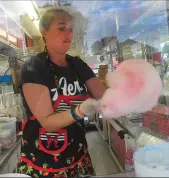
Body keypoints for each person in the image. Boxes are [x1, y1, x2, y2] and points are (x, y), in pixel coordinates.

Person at [17, 8, 106, 178]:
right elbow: (48, 122)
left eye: (71, 29)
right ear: (44, 33)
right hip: (43, 164)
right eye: (61, 27)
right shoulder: (33, 68)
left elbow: (103, 96)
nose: (68, 33)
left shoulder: (77, 64)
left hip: (78, 156)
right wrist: (79, 111)